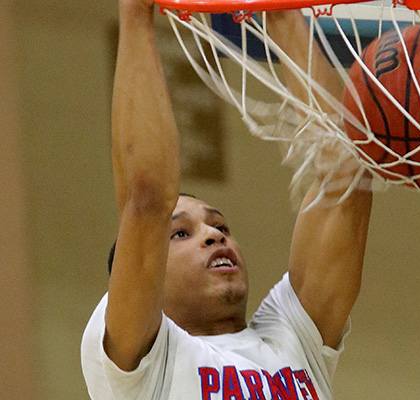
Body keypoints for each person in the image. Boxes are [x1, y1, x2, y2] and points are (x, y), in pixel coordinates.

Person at [81, 0, 372, 399]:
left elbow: (346, 180)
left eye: (220, 227)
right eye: (180, 233)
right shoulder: (139, 368)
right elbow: (147, 199)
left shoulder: (292, 341)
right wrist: (135, 16)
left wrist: (281, 13)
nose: (215, 236)